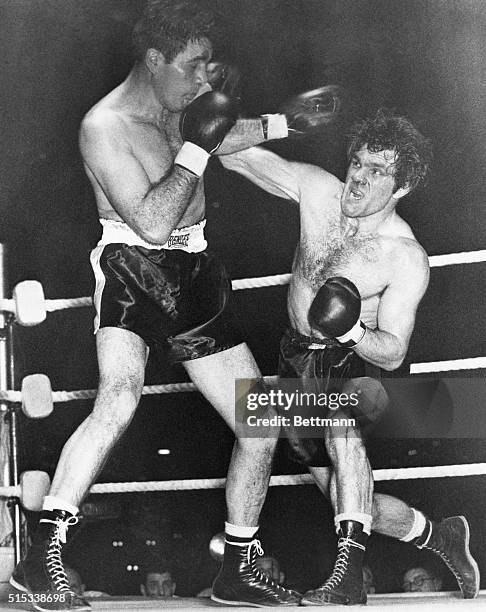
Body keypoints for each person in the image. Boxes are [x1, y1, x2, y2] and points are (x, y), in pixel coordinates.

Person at [10, 2, 338, 610]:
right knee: (118, 398)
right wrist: (199, 147)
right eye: (192, 66)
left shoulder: (177, 104)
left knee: (257, 419)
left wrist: (284, 123)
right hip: (134, 265)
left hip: (194, 271)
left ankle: (238, 564)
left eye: (208, 67)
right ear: (153, 60)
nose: (204, 80)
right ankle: (41, 558)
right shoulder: (103, 126)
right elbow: (155, 221)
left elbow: (210, 132)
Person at [220, 108, 480, 605]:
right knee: (347, 500)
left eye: (377, 171)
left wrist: (352, 327)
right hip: (296, 360)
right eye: (358, 162)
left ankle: (347, 580)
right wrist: (277, 122)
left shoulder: (404, 255)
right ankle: (436, 536)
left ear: (401, 187)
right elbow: (231, 156)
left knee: (340, 431)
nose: (359, 177)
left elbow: (393, 351)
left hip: (357, 364)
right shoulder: (318, 190)